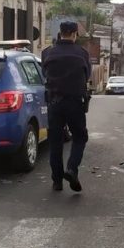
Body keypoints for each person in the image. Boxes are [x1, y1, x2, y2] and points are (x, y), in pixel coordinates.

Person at [41, 22, 91, 192]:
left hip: (54, 103)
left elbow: (44, 74)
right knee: (79, 137)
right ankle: (71, 169)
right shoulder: (82, 53)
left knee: (55, 142)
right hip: (75, 103)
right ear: (75, 34)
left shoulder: (47, 52)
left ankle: (57, 182)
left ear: (60, 33)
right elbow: (87, 75)